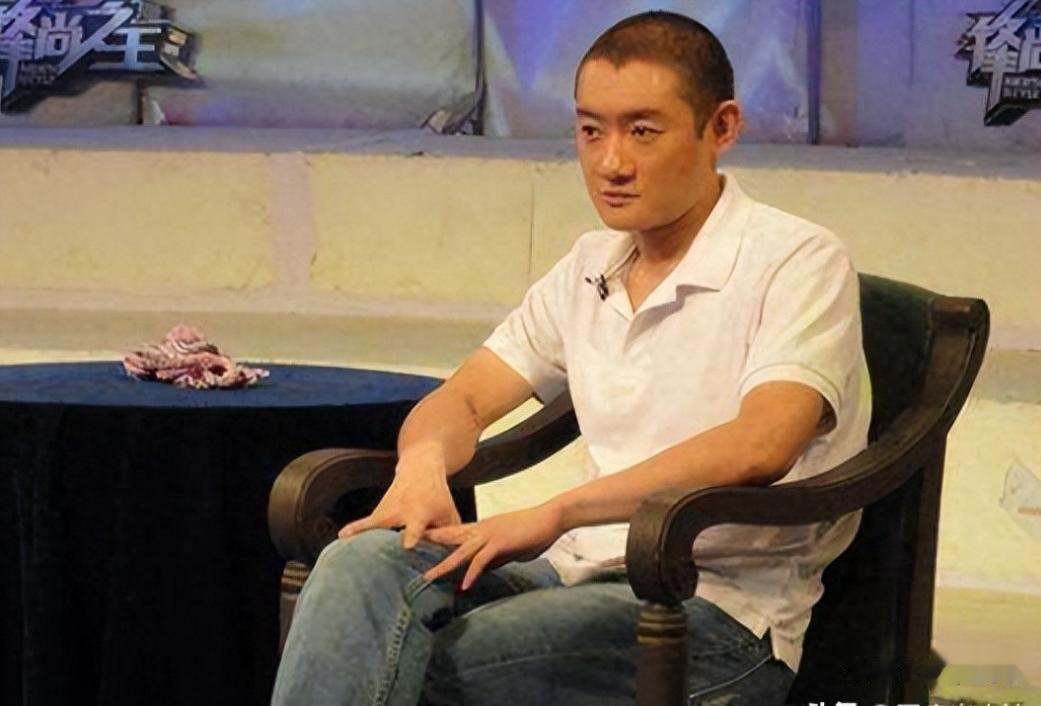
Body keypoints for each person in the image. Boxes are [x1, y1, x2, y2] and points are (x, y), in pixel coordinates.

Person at [271, 10, 870, 706]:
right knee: (359, 565)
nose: (611, 163)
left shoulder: (796, 258)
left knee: (391, 657)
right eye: (590, 131)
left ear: (722, 127)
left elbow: (760, 444)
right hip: (569, 572)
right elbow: (463, 398)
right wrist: (422, 465)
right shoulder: (592, 263)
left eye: (642, 131)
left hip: (709, 607)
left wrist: (556, 512)